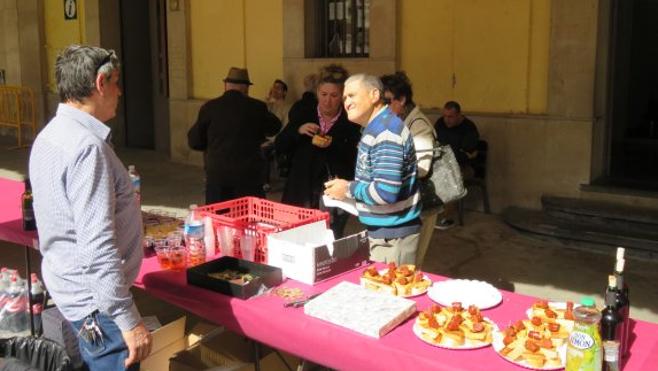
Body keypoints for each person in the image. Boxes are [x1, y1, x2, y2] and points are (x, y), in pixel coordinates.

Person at [28, 45, 151, 371]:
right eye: (116, 83)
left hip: (72, 290)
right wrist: (127, 319)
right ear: (100, 83)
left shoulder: (50, 134)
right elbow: (97, 244)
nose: (120, 92)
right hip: (97, 304)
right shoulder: (86, 147)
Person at [324, 74, 421, 264]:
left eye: (352, 95)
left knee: (388, 291)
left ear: (374, 95)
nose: (347, 102)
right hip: (387, 233)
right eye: (345, 98)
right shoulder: (376, 128)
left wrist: (347, 189)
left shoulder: (385, 132)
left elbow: (386, 193)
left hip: (393, 237)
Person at [275, 65, 361, 238]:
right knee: (296, 238)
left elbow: (354, 159)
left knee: (330, 240)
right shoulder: (303, 113)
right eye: (323, 95)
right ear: (317, 93)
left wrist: (333, 144)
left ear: (342, 97)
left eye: (334, 95)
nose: (327, 101)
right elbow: (280, 144)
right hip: (301, 190)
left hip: (332, 193)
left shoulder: (352, 121)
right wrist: (298, 131)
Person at [188, 67, 281, 203]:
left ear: (226, 85)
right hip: (249, 176)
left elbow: (194, 141)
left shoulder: (210, 107)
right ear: (246, 88)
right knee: (249, 219)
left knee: (219, 217)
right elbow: (274, 127)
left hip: (218, 175)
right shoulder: (257, 107)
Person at [381, 71, 439, 268]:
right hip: (398, 202)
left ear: (402, 99)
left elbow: (421, 168)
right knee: (393, 262)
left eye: (387, 101)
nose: (383, 107)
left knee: (409, 265)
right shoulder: (393, 122)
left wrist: (386, 168)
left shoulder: (418, 125)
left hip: (418, 202)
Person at [433, 100, 480, 229]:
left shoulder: (469, 128)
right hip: (441, 165)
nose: (447, 120)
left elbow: (468, 154)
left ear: (459, 115)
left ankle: (447, 218)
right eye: (445, 116)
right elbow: (435, 143)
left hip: (464, 167)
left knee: (450, 178)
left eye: (450, 117)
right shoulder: (440, 124)